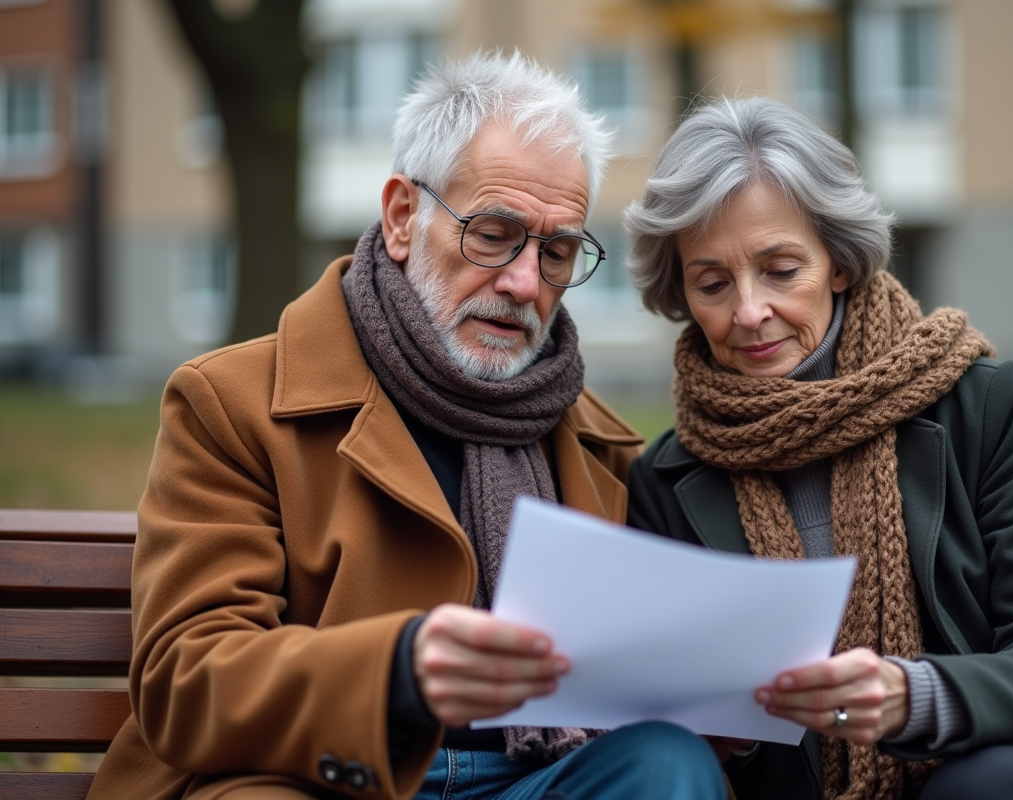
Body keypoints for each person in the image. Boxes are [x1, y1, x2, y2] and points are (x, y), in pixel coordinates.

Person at [85, 52, 727, 800]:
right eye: (493, 233)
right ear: (401, 218)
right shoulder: (231, 403)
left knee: (666, 764)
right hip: (320, 776)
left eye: (556, 252)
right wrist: (397, 670)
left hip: (532, 779)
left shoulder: (602, 446)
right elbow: (185, 679)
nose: (525, 282)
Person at [622, 96, 1013, 800]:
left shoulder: (983, 406)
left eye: (780, 270)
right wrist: (722, 729)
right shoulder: (668, 477)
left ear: (838, 262)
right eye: (712, 283)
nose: (748, 311)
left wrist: (913, 696)